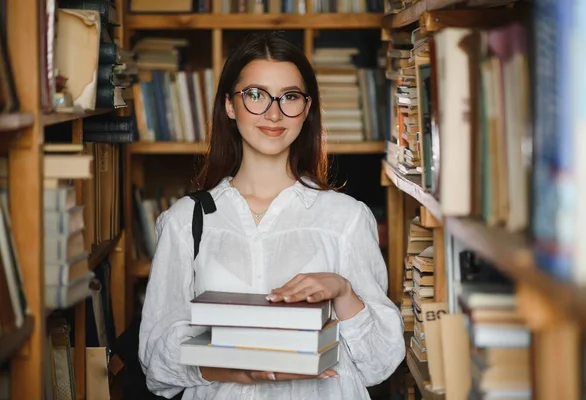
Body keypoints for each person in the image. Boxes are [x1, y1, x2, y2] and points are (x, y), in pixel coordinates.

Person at [138, 32, 405, 400]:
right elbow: (156, 364)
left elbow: (380, 364)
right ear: (230, 106)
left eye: (290, 97)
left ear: (307, 108)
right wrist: (236, 367)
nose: (274, 113)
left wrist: (343, 292)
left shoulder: (346, 218)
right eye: (256, 95)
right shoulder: (186, 221)